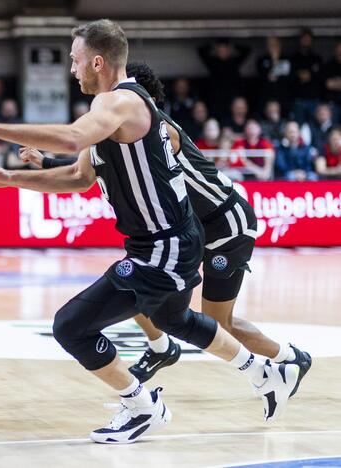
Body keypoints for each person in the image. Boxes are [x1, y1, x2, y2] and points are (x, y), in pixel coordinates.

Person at [0, 20, 300, 444]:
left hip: (165, 245)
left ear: (97, 62)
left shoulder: (123, 102)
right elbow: (78, 178)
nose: (71, 68)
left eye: (75, 60)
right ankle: (266, 372)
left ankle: (142, 405)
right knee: (174, 318)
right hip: (167, 241)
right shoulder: (104, 112)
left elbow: (70, 139)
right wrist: (7, 178)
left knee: (70, 326)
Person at [23, 62, 311, 388]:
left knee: (218, 321)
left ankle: (289, 358)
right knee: (136, 281)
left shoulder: (158, 128)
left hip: (225, 223)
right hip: (194, 227)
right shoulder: (129, 133)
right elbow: (94, 167)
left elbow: (104, 162)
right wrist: (47, 162)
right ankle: (160, 347)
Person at [290, 28, 324, 125]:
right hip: (298, 99)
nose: (306, 41)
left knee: (314, 126)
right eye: (304, 39)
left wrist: (308, 74)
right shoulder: (294, 58)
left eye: (308, 39)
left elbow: (319, 77)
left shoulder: (316, 58)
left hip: (314, 99)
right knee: (299, 127)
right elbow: (293, 76)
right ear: (300, 40)